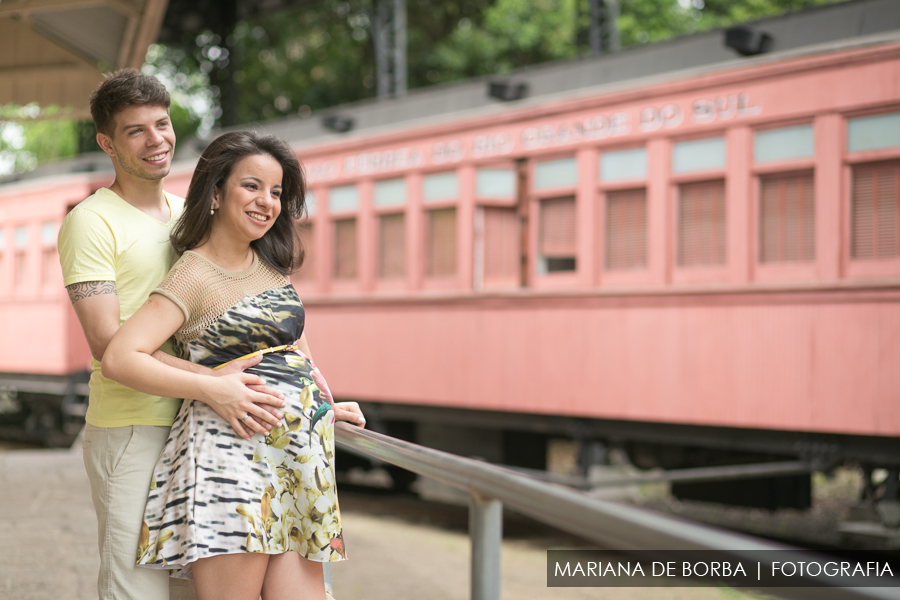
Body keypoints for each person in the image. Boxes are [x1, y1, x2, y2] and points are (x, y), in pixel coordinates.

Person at [58, 69, 293, 600]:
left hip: (204, 431)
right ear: (107, 143)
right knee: (137, 588)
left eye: (162, 124)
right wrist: (212, 383)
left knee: (193, 592)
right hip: (133, 426)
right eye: (135, 130)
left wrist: (309, 393)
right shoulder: (91, 222)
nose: (156, 140)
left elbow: (239, 314)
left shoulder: (190, 216)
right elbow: (106, 343)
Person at [101, 130, 364, 600]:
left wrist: (322, 405)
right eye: (252, 186)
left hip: (296, 464)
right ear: (216, 193)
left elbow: (294, 352)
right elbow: (121, 357)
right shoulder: (195, 273)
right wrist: (212, 389)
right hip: (231, 463)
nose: (267, 201)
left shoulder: (271, 268)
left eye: (277, 192)